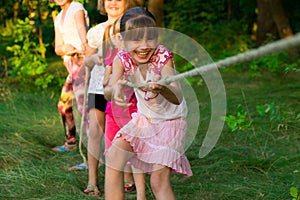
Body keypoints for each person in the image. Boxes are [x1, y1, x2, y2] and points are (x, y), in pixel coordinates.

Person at [104, 7, 193, 200]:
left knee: (158, 180)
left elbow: (176, 96)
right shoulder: (122, 58)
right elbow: (108, 90)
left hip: (171, 122)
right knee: (113, 158)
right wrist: (116, 88)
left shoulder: (163, 57)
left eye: (149, 38)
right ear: (122, 40)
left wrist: (163, 87)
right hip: (145, 120)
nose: (144, 46)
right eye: (136, 39)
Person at [80, 0, 141, 197]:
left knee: (124, 133)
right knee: (96, 132)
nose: (113, 2)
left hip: (124, 89)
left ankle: (127, 176)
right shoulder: (97, 31)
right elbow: (87, 60)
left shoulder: (134, 24)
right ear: (102, 3)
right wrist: (94, 59)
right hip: (99, 87)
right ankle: (92, 180)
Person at [102, 17, 146, 198]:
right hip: (113, 113)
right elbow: (106, 83)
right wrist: (114, 82)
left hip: (132, 111)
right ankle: (117, 188)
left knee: (136, 155)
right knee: (112, 154)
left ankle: (141, 194)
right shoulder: (113, 57)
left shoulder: (140, 55)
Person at [51, 0, 89, 152]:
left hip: (81, 61)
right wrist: (65, 49)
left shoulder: (76, 7)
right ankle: (71, 141)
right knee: (64, 105)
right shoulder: (58, 17)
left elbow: (81, 27)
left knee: (85, 108)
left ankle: (95, 151)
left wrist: (85, 44)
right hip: (71, 64)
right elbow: (57, 48)